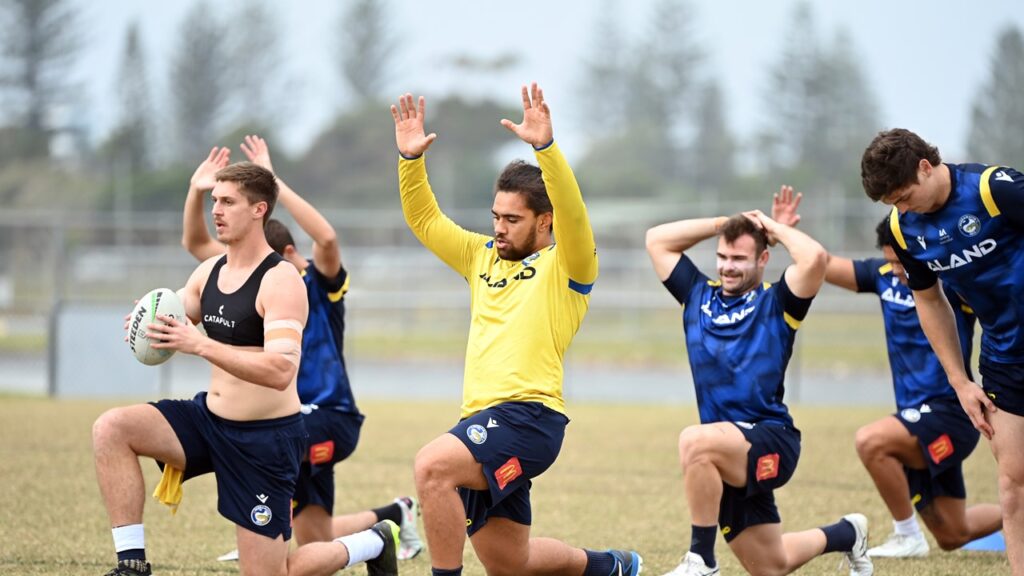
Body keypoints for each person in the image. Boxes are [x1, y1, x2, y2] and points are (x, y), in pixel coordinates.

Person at [92, 159, 399, 576]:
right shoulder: (209, 271)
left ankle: (371, 541)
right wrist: (148, 322)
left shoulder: (282, 281)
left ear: (258, 210)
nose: (216, 210)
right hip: (209, 420)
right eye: (214, 200)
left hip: (264, 441)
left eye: (227, 202)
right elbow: (174, 315)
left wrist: (200, 345)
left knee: (273, 573)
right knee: (112, 428)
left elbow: (279, 371)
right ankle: (131, 565)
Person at [390, 83, 642, 576]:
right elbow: (424, 219)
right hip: (481, 424)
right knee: (510, 563)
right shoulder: (479, 256)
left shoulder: (568, 265)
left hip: (529, 419)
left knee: (431, 467)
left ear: (544, 222)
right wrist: (409, 160)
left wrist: (546, 149)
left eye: (512, 219)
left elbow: (574, 213)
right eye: (495, 217)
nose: (499, 228)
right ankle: (611, 567)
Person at [181, 136, 423, 562]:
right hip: (285, 411)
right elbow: (195, 245)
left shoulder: (314, 283)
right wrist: (197, 191)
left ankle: (260, 528)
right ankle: (391, 520)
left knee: (242, 440)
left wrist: (272, 182)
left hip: (326, 417)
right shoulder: (239, 272)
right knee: (316, 539)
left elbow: (326, 238)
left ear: (289, 254)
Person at [645, 205, 873, 576]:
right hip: (723, 453)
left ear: (764, 258)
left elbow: (814, 257)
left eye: (738, 258)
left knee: (693, 441)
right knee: (770, 565)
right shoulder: (697, 295)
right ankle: (848, 533)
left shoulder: (778, 301)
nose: (727, 266)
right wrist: (725, 222)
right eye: (721, 256)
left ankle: (701, 560)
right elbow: (657, 240)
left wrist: (772, 227)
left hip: (771, 439)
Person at [772, 189, 1002, 557]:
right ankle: (1018, 511)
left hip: (949, 411)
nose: (900, 270)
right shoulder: (881, 276)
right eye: (893, 262)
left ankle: (906, 535)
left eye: (903, 261)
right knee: (953, 532)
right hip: (912, 420)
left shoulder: (949, 281)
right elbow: (823, 262)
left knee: (871, 441)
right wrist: (783, 232)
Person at [861, 127, 1024, 574]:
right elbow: (929, 300)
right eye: (891, 203)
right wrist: (960, 380)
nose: (900, 207)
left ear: (926, 166)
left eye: (904, 194)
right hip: (1006, 357)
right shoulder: (903, 228)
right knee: (1013, 483)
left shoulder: (994, 190)